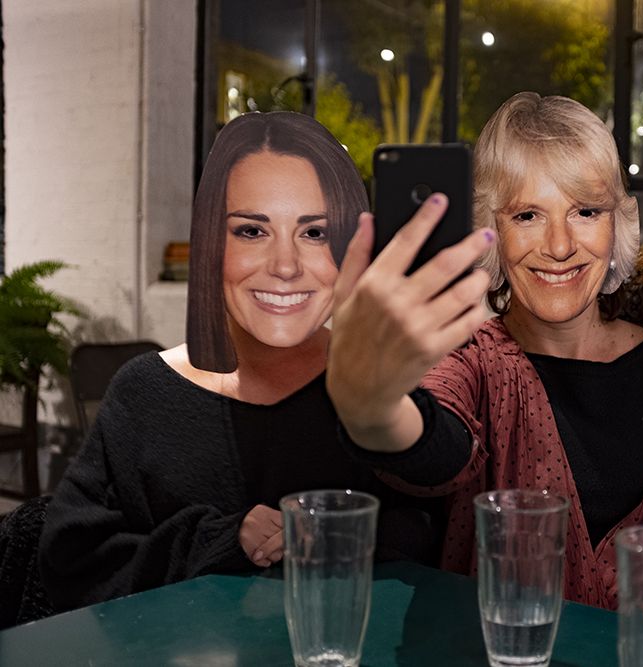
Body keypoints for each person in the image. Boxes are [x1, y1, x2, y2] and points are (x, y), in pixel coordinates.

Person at [326, 92, 643, 638]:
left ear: (616, 224)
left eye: (585, 212)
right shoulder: (472, 360)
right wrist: (371, 407)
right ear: (491, 232)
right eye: (527, 215)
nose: (559, 246)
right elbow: (436, 447)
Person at [39, 111, 442, 611]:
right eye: (252, 231)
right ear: (211, 242)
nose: (285, 266)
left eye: (315, 233)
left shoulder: (383, 389)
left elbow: (435, 534)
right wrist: (218, 539)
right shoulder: (142, 394)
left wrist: (333, 535)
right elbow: (70, 560)